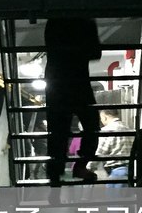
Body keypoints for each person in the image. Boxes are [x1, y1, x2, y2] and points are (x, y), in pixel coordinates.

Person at [44, 17, 102, 186]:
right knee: (92, 125)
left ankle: (55, 177)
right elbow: (95, 53)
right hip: (78, 80)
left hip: (56, 83)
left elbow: (52, 49)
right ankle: (79, 166)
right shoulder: (86, 21)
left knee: (58, 131)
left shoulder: (54, 21)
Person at [95, 108, 134, 187]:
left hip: (115, 173)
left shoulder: (106, 131)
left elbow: (99, 152)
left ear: (105, 117)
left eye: (101, 118)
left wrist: (88, 168)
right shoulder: (128, 129)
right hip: (130, 171)